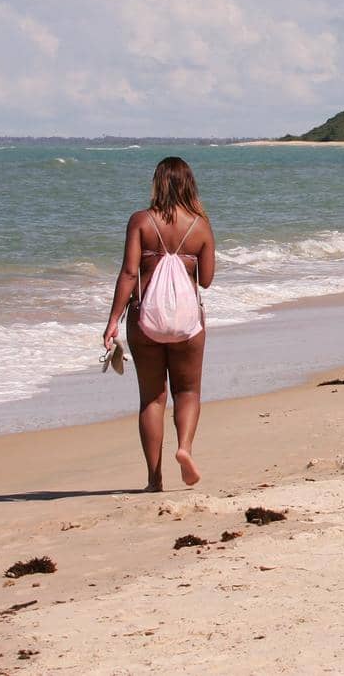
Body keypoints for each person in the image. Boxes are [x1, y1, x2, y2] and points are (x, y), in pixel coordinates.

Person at [103, 157, 217, 492]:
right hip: (187, 325)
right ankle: (185, 448)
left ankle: (154, 480)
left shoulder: (140, 221)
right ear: (189, 184)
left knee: (152, 398)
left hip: (144, 322)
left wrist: (112, 321)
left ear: (158, 183)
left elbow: (128, 273)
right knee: (188, 391)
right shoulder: (201, 226)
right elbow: (207, 280)